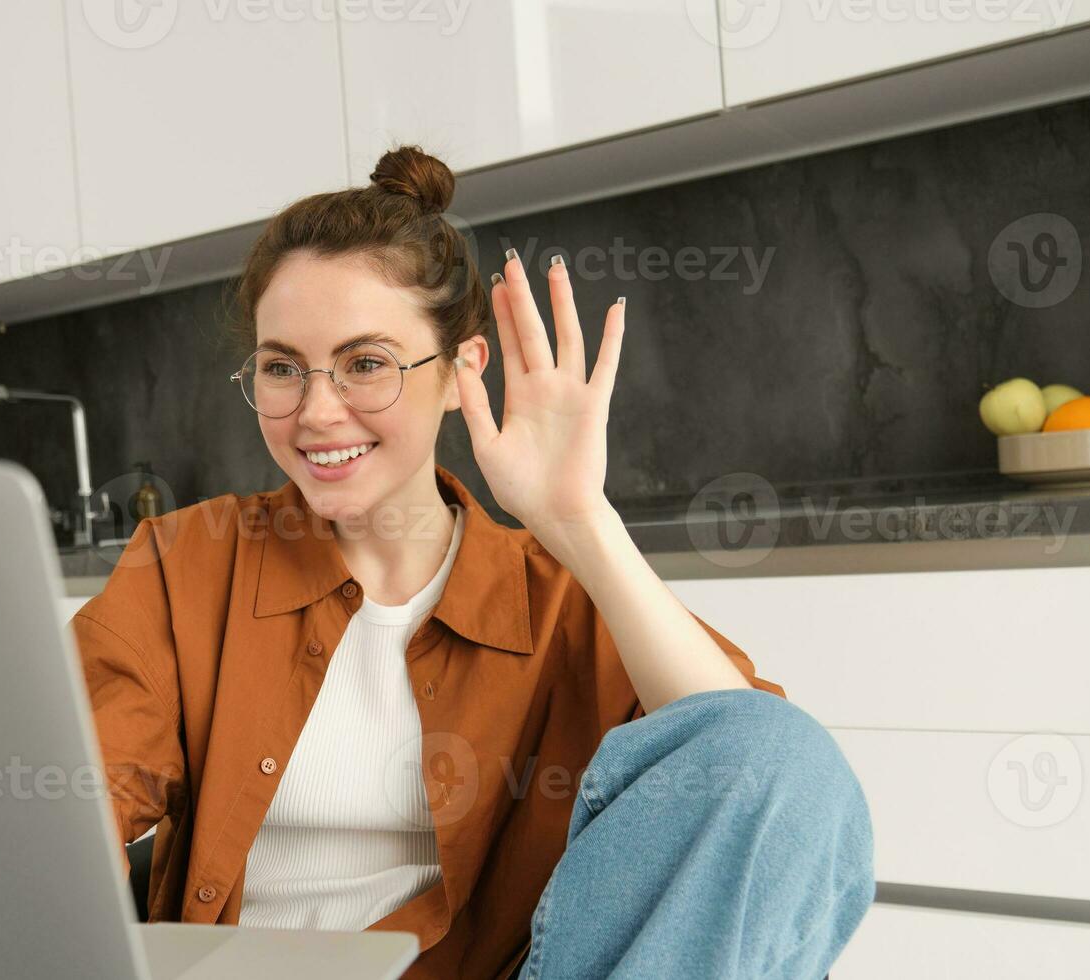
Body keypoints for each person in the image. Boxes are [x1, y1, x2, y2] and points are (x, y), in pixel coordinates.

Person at [71, 145, 874, 980]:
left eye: (366, 365)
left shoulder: (552, 592)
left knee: (783, 755)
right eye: (282, 369)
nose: (315, 412)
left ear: (461, 372)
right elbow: (70, 799)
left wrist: (579, 522)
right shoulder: (187, 562)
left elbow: (755, 785)